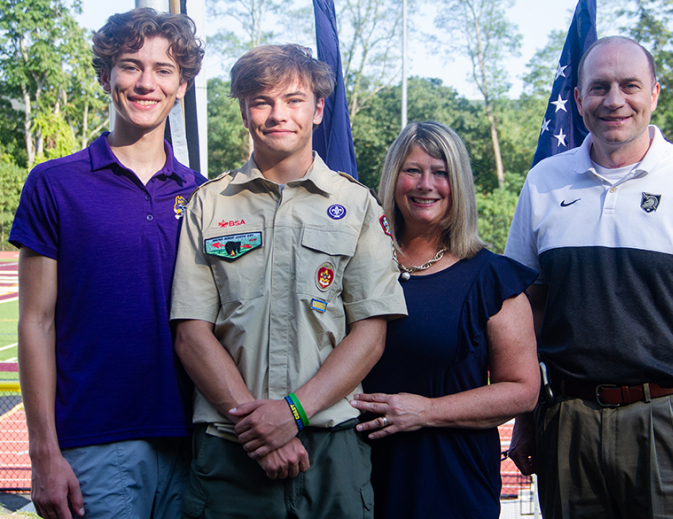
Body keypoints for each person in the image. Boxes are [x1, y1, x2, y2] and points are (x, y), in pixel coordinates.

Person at [505, 36, 673, 519]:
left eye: (629, 85)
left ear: (654, 94)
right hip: (568, 422)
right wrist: (526, 420)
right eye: (599, 87)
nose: (614, 100)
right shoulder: (543, 181)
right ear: (579, 98)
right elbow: (529, 313)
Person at [169, 44, 407, 519]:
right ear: (244, 110)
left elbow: (370, 331)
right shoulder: (208, 205)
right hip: (229, 448)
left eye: (294, 99)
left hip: (331, 445)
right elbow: (192, 333)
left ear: (318, 110)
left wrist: (293, 412)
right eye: (262, 100)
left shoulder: (358, 205)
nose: (278, 114)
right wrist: (260, 428)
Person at [11, 8, 205, 519]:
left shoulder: (206, 194)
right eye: (130, 65)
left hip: (197, 443)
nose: (146, 83)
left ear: (182, 85)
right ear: (105, 75)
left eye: (164, 70)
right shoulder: (54, 184)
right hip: (95, 444)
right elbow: (36, 320)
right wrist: (43, 453)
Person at [348, 121, 540, 519]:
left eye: (441, 172)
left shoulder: (489, 277)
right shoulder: (356, 262)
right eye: (412, 170)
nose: (425, 184)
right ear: (393, 178)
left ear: (460, 184)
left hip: (447, 480)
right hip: (353, 473)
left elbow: (522, 390)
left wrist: (425, 412)